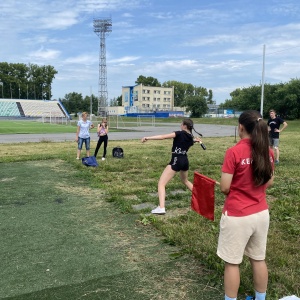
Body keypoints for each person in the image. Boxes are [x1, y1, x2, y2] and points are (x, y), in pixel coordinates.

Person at [217, 110, 275, 300]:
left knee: (232, 263)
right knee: (258, 259)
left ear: (240, 127)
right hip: (261, 213)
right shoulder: (267, 151)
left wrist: (234, 186)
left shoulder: (234, 152)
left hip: (237, 215)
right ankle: (260, 298)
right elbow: (270, 182)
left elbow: (225, 188)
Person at [141, 118, 202, 215]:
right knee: (185, 180)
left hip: (176, 160)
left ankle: (161, 208)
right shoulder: (190, 137)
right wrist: (195, 141)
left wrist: (148, 138)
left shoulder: (179, 133)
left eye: (181, 124)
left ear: (184, 126)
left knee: (161, 184)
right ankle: (200, 196)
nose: (180, 125)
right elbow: (188, 141)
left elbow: (162, 137)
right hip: (185, 161)